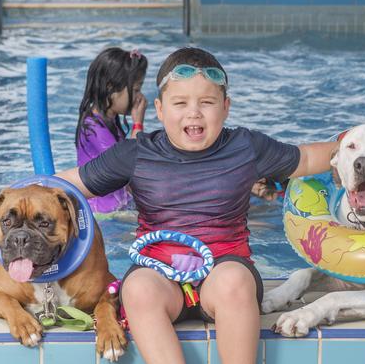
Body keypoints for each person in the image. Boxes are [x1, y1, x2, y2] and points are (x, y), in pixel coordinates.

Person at [56, 47, 336, 364]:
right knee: (137, 290)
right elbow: (73, 183)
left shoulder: (245, 146)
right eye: (180, 103)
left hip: (223, 270)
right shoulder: (136, 153)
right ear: (159, 110)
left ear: (226, 107)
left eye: (207, 102)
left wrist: (357, 144)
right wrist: (23, 191)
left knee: (234, 283)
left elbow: (308, 157)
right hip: (160, 275)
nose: (194, 113)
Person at [75, 47, 148, 215]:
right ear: (110, 88)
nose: (139, 96)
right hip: (103, 214)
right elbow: (128, 165)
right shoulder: (93, 129)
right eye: (136, 89)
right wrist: (138, 124)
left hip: (117, 206)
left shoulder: (109, 120)